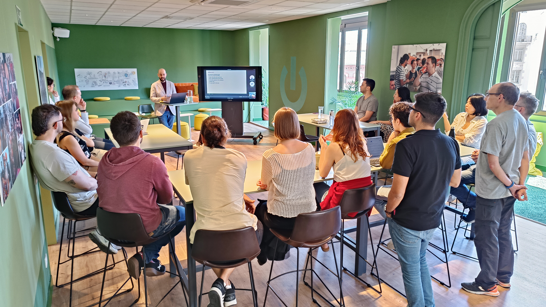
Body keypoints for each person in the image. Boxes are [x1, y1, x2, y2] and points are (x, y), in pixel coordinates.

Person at [385, 92, 461, 307]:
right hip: (433, 216)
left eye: (412, 109)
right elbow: (455, 181)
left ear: (417, 115)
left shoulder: (407, 145)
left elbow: (397, 192)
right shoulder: (450, 142)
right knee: (419, 262)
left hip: (408, 219)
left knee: (410, 271)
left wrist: (389, 211)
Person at [97, 111, 186, 278]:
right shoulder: (152, 163)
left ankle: (149, 260)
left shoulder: (104, 160)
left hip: (107, 227)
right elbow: (167, 199)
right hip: (140, 230)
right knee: (183, 213)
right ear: (140, 134)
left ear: (115, 136)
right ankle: (146, 256)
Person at [184, 116, 261, 307]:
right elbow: (231, 183)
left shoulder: (189, 157)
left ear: (201, 136)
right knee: (259, 226)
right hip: (241, 237)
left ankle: (223, 284)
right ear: (226, 136)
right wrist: (245, 198)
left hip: (205, 239)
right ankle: (224, 283)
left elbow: (190, 181)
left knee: (215, 246)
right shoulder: (239, 158)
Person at [462, 82, 530, 297]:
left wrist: (511, 185)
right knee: (502, 232)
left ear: (500, 97)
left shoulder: (496, 123)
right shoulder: (521, 120)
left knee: (486, 236)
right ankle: (503, 277)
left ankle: (486, 283)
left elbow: (493, 164)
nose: (485, 98)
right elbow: (524, 158)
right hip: (509, 189)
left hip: (493, 189)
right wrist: (518, 185)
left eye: (488, 94)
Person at [29, 104, 117, 254]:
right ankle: (110, 235)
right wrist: (105, 181)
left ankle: (112, 231)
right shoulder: (53, 154)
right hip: (86, 202)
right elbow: (87, 185)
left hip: (74, 200)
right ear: (56, 124)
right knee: (128, 188)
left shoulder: (37, 146)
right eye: (61, 119)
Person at [450, 92, 538, 224]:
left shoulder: (526, 130)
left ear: (520, 109)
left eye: (512, 104)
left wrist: (519, 185)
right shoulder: (509, 123)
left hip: (496, 178)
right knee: (450, 172)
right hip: (483, 169)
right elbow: (501, 150)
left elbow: (518, 160)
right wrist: (483, 153)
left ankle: (474, 205)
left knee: (449, 179)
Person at [254, 107, 316, 264]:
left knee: (259, 209)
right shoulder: (309, 148)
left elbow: (265, 185)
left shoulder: (270, 156)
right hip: (309, 217)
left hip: (282, 219)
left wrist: (266, 183)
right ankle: (272, 250)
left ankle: (262, 252)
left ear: (277, 127)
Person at [313, 109, 373, 241]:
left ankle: (321, 237)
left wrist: (324, 147)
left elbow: (323, 173)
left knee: (315, 187)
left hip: (342, 204)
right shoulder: (362, 142)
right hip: (363, 201)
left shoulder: (335, 147)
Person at [373, 102, 414, 219]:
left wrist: (391, 140)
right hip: (419, 192)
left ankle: (394, 219)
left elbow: (384, 163)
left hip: (403, 191)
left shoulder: (398, 142)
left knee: (370, 193)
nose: (391, 121)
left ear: (397, 121)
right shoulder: (418, 134)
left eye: (392, 118)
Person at [62, 85, 114, 150]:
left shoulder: (68, 107)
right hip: (86, 142)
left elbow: (86, 126)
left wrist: (83, 110)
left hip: (88, 137)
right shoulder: (70, 112)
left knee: (113, 143)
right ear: (75, 97)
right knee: (113, 146)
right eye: (80, 95)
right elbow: (89, 130)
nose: (81, 97)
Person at [56, 100, 100, 176]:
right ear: (68, 114)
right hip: (85, 168)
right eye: (76, 110)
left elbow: (88, 155)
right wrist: (104, 165)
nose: (78, 112)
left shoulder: (71, 131)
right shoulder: (67, 138)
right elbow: (84, 161)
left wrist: (103, 163)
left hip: (88, 163)